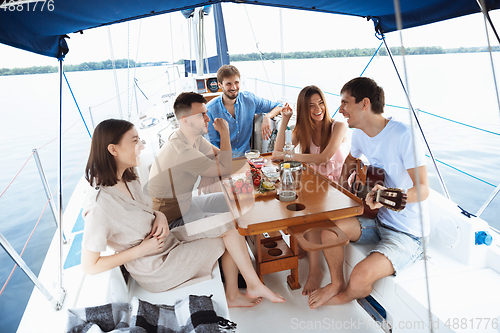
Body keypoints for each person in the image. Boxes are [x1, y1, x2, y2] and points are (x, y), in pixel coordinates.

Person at [81, 117, 284, 308]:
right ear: (112, 149)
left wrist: (159, 216)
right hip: (156, 268)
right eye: (135, 141)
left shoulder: (128, 177)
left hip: (168, 239)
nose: (141, 146)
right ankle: (239, 291)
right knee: (226, 240)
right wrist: (141, 250)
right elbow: (90, 266)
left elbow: (147, 209)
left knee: (230, 226)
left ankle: (248, 286)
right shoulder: (100, 205)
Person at [308, 77, 430, 309]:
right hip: (377, 220)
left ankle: (344, 296)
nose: (340, 109)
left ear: (364, 103)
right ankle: (336, 283)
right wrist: (344, 190)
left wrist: (386, 197)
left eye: (345, 102)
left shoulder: (404, 135)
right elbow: (351, 160)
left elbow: (423, 190)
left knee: (361, 276)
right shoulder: (361, 133)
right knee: (329, 229)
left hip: (408, 234)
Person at [272, 85, 349, 296]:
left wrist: (291, 155)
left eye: (321, 103)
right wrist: (285, 121)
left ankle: (315, 271)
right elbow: (277, 153)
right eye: (311, 106)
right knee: (286, 197)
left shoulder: (338, 127)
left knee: (311, 213)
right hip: (315, 187)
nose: (318, 109)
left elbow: (322, 158)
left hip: (337, 189)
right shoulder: (303, 131)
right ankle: (300, 245)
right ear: (303, 110)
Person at [206, 64, 286, 157]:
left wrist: (268, 116)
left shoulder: (250, 100)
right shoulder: (210, 110)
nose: (234, 88)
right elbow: (212, 147)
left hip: (246, 160)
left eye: (236, 82)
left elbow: (280, 106)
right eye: (229, 84)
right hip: (223, 162)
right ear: (220, 85)